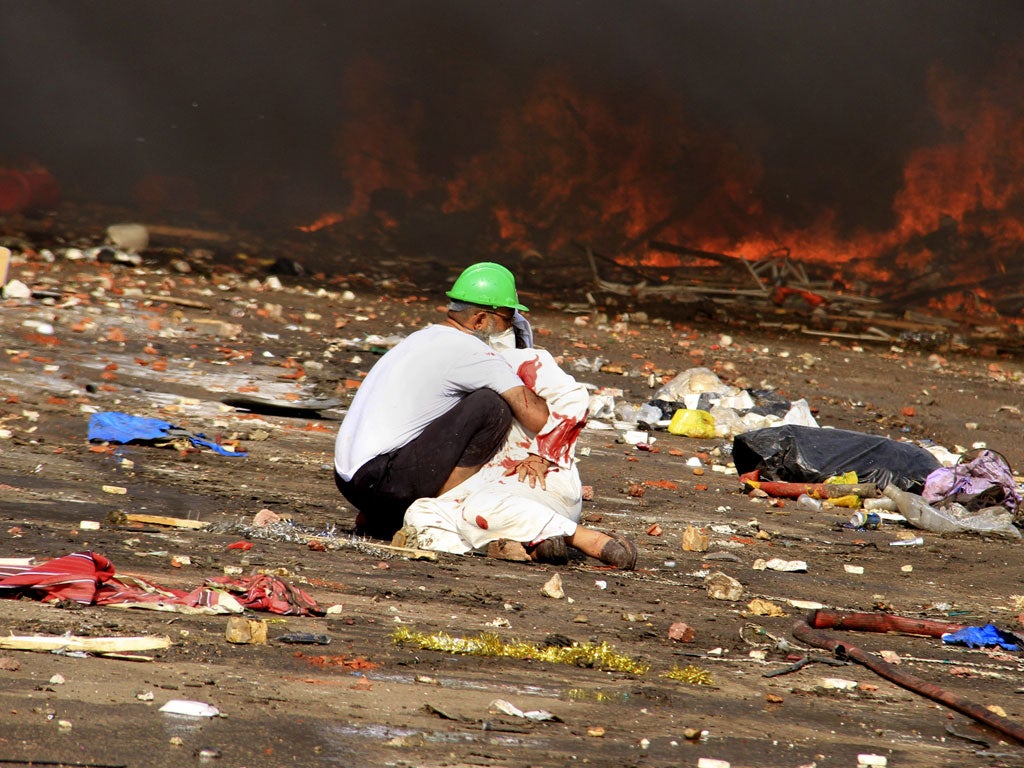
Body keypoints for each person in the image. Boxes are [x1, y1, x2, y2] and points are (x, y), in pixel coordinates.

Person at [395, 317, 638, 570]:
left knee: (483, 507)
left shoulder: (522, 361)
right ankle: (524, 544)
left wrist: (543, 454)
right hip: (489, 481)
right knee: (420, 513)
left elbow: (574, 398)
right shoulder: (458, 369)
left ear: (481, 321)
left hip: (537, 480)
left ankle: (587, 539)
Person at [333, 262, 550, 538]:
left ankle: (384, 515)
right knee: (492, 407)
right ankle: (439, 510)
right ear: (480, 320)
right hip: (383, 480)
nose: (511, 329)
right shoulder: (471, 351)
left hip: (348, 479)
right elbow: (537, 417)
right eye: (508, 321)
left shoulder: (422, 338)